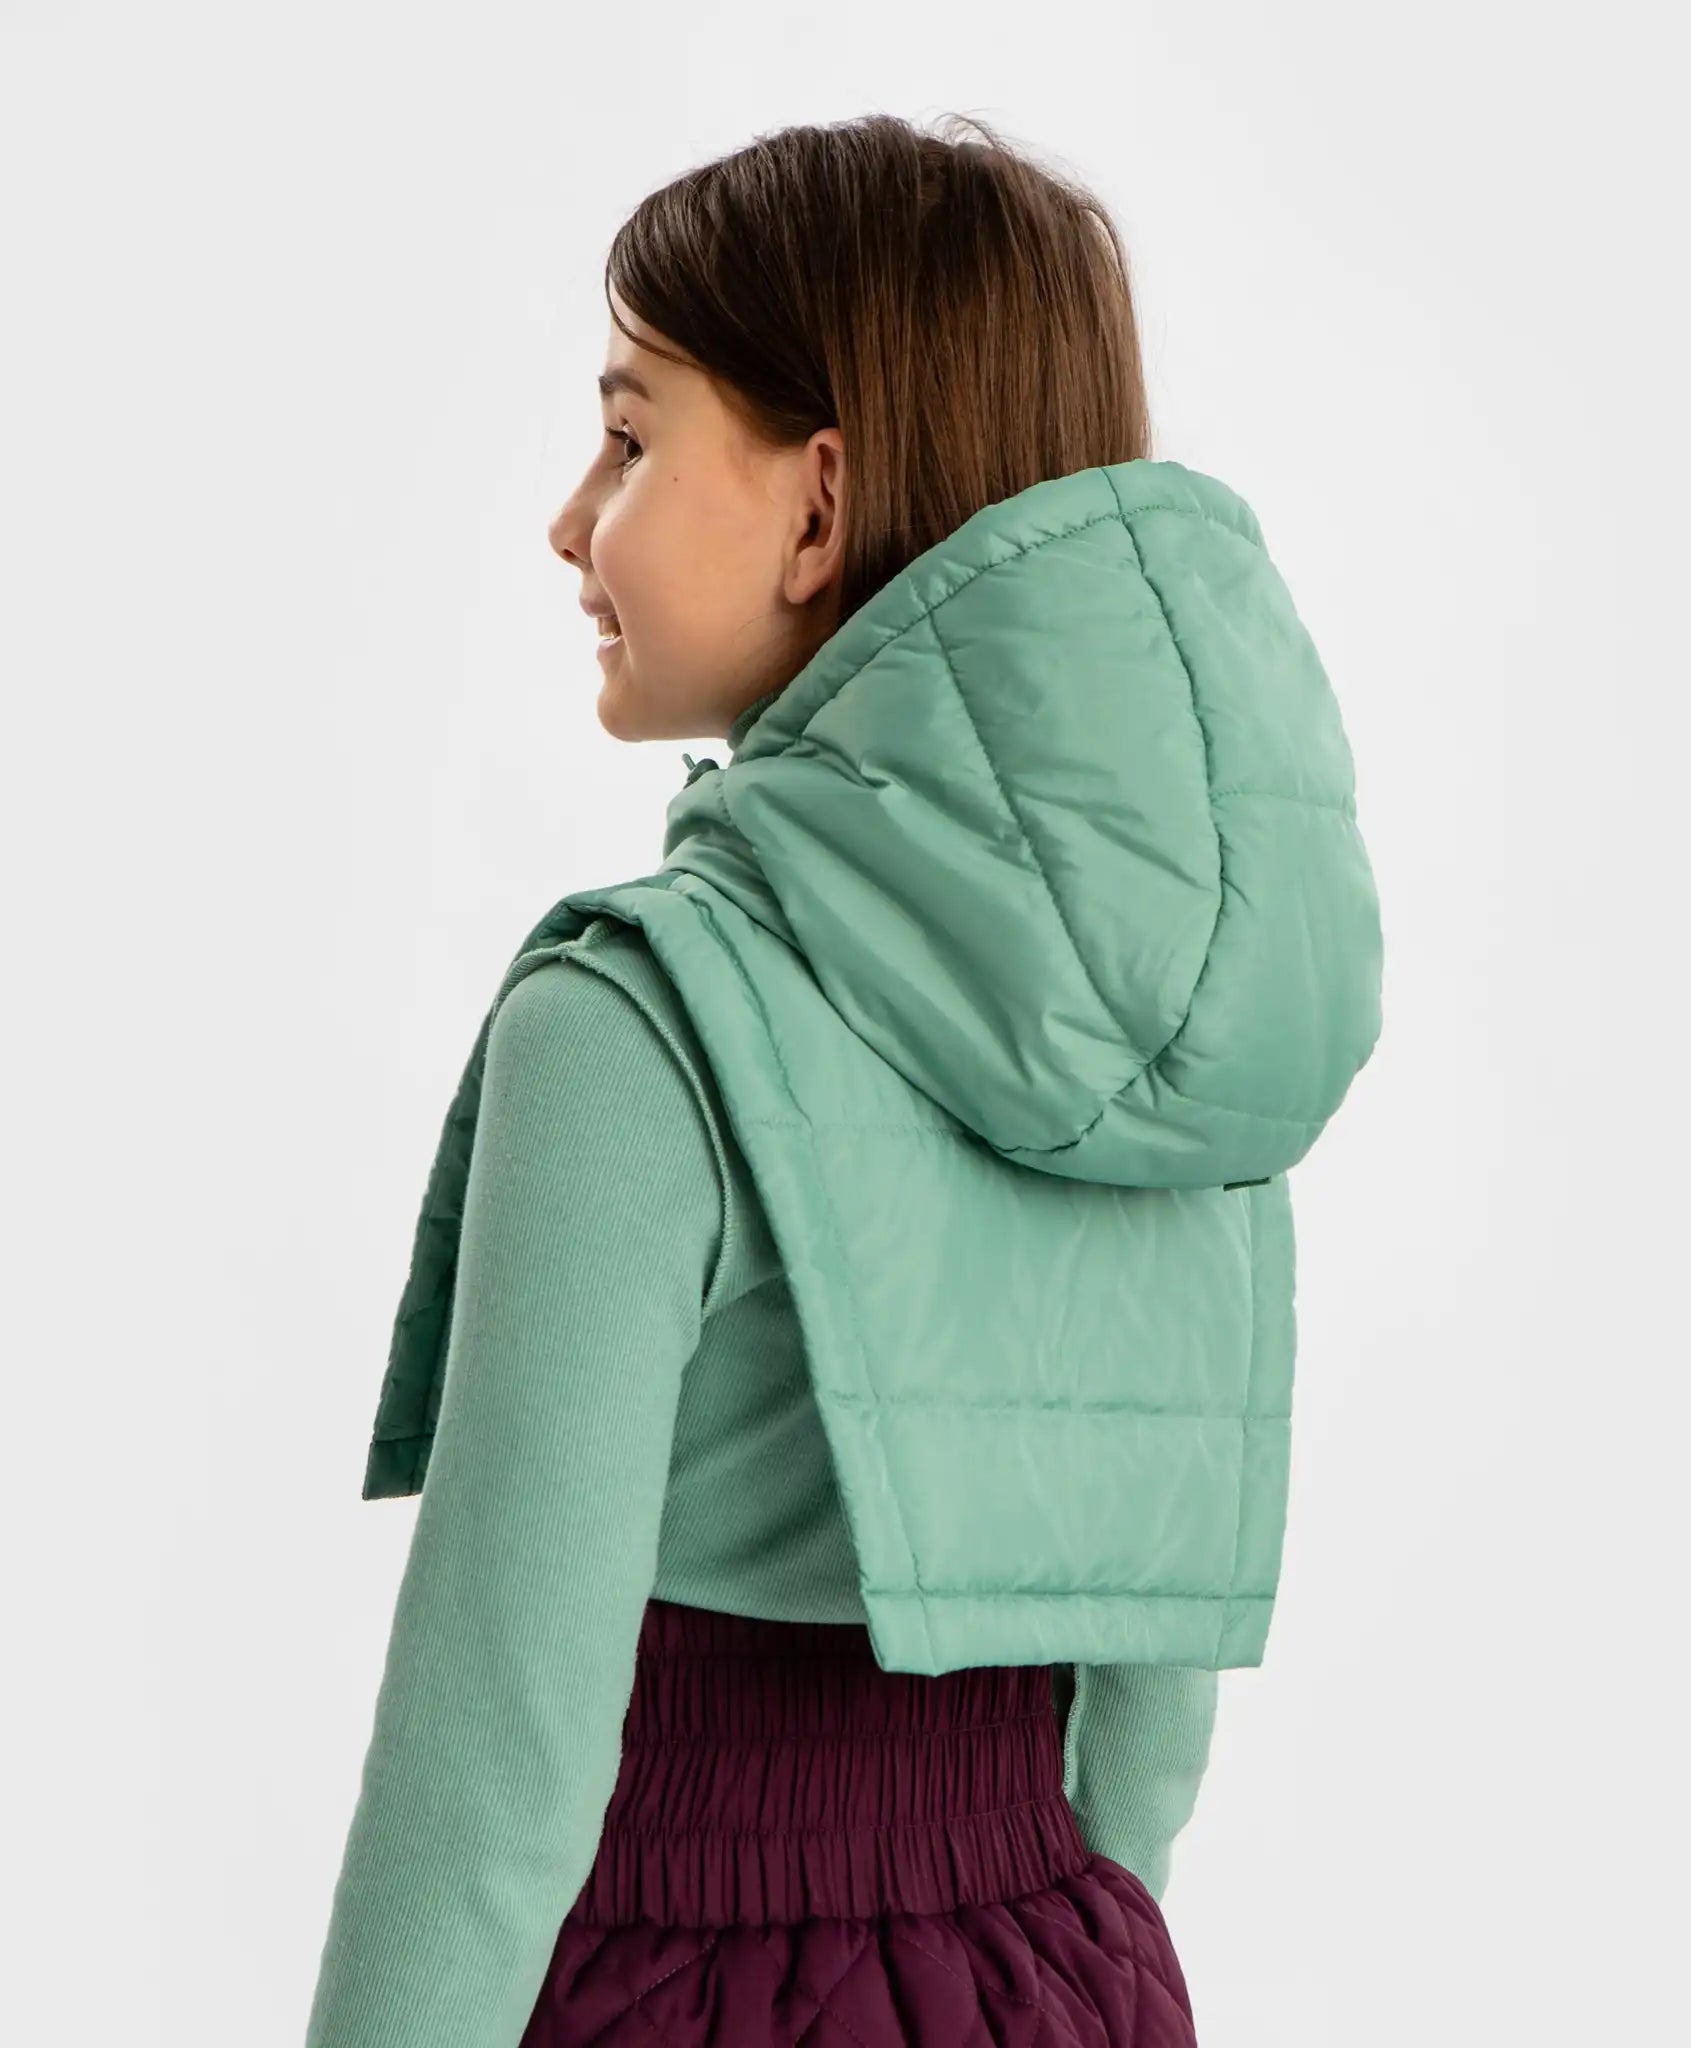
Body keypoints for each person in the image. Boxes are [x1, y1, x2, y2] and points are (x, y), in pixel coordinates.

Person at [305, 112, 1383, 2048]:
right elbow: (1143, 1714)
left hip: (679, 1977)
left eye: (629, 439)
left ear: (820, 505)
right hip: (1067, 1962)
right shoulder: (1185, 1011)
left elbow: (497, 1771)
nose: (570, 519)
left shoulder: (635, 1023)